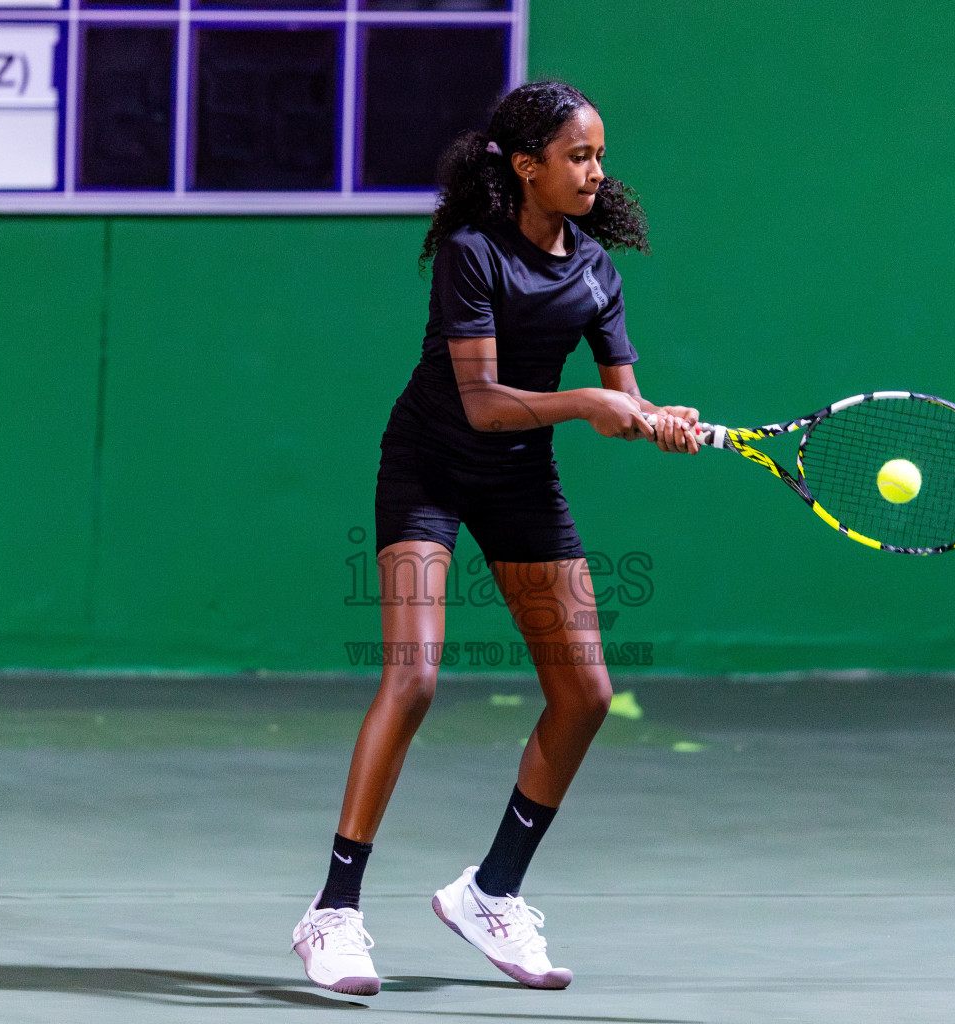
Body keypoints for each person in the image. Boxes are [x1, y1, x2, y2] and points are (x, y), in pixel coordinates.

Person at [291, 80, 700, 996]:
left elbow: (621, 398)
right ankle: (334, 913)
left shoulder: (597, 271)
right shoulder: (473, 254)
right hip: (430, 467)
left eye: (600, 155)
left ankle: (490, 894)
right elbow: (480, 403)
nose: (597, 172)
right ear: (527, 166)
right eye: (578, 156)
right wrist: (590, 404)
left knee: (587, 692)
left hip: (520, 481)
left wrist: (652, 417)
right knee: (415, 675)